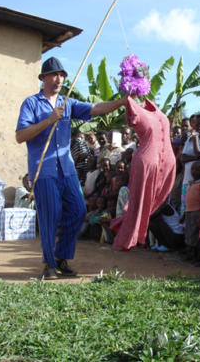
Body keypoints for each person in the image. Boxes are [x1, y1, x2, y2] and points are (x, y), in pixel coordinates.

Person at [16, 57, 126, 279]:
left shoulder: (68, 103)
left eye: (62, 75)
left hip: (66, 169)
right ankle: (48, 264)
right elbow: (20, 136)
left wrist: (122, 102)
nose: (59, 79)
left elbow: (96, 108)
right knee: (50, 215)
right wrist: (48, 120)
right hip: (44, 170)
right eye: (54, 75)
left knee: (78, 210)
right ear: (43, 78)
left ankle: (61, 258)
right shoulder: (31, 103)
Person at [111, 97, 176, 251]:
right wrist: (127, 100)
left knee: (155, 203)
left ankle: (139, 236)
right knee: (138, 202)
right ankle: (128, 236)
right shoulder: (133, 107)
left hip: (165, 161)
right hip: (149, 160)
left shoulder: (155, 109)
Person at [181, 161, 200, 260]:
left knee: (194, 232)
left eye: (197, 169)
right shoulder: (190, 184)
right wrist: (184, 215)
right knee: (188, 231)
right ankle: (189, 252)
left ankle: (194, 254)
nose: (194, 171)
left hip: (196, 211)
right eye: (192, 169)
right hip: (188, 212)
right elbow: (187, 202)